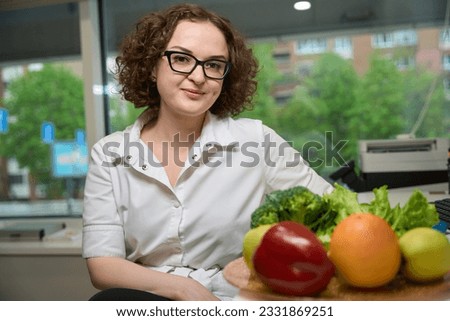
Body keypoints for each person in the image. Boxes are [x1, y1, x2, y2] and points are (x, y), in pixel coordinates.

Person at [82, 3, 333, 301]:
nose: (199, 77)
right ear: (151, 66)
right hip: (151, 301)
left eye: (213, 65)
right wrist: (183, 289)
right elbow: (103, 266)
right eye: (181, 58)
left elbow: (335, 211)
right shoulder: (109, 154)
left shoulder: (257, 140)